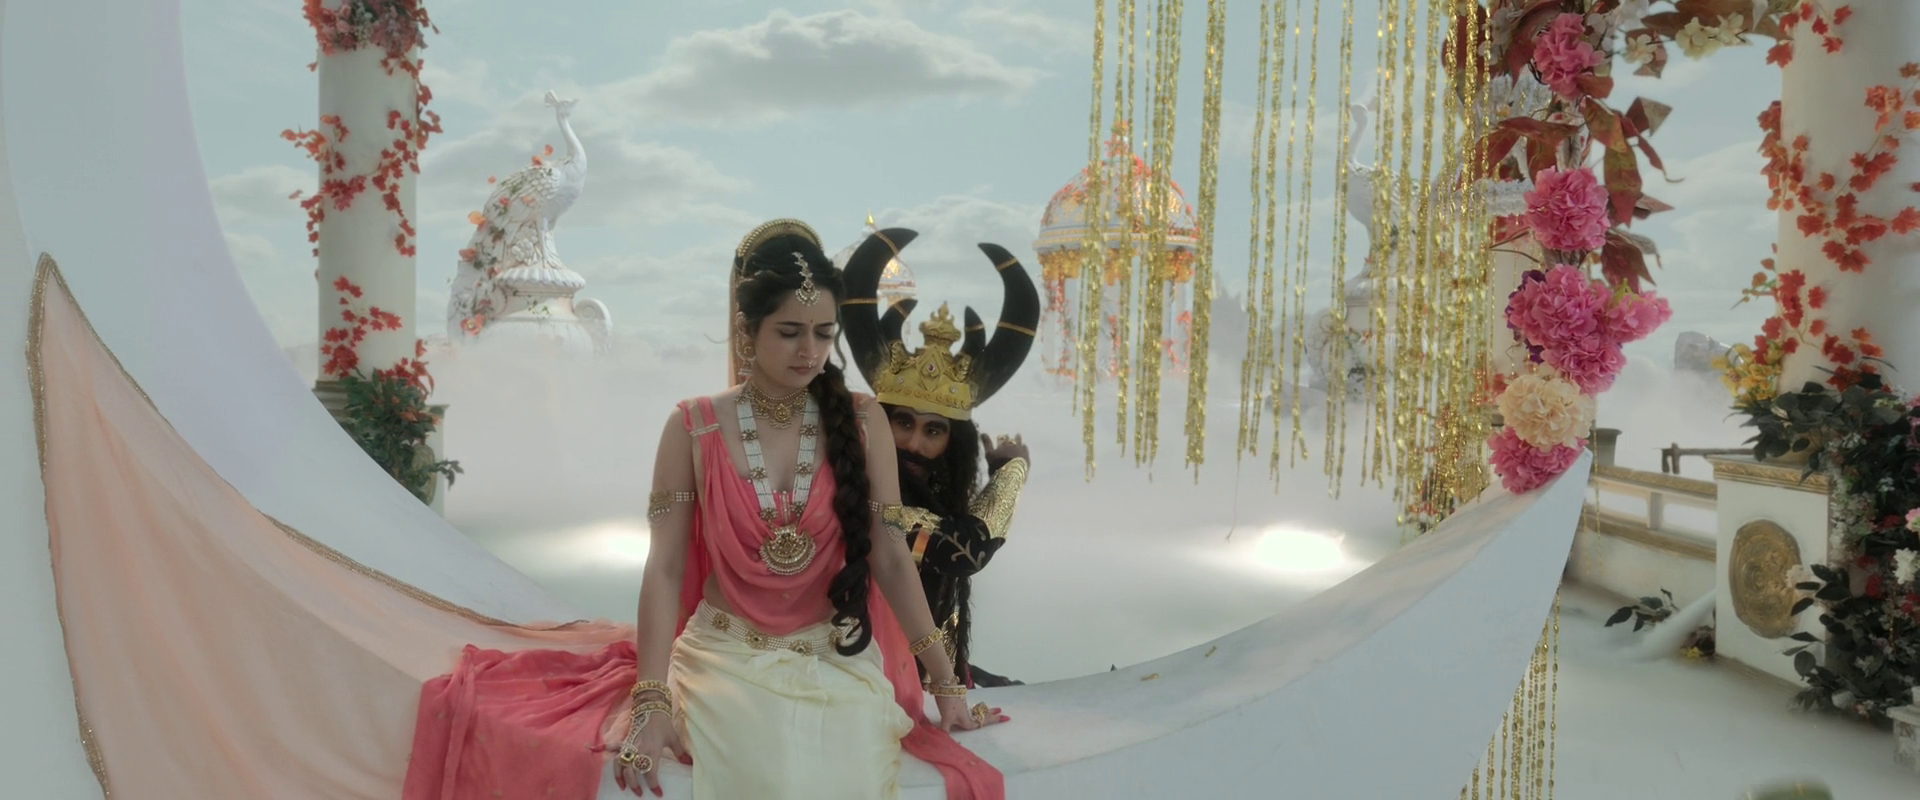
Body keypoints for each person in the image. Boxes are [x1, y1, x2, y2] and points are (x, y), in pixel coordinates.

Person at [611, 219, 1007, 799]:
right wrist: (651, 701)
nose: (810, 352)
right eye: (790, 332)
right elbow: (665, 567)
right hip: (721, 658)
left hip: (834, 657)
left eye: (824, 333)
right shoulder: (692, 427)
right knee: (762, 766)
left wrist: (946, 684)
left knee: (848, 763)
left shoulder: (863, 421)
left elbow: (890, 557)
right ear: (746, 330)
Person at [838, 227, 1041, 688]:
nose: (914, 444)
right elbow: (965, 550)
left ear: (954, 443)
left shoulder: (931, 493)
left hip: (923, 672)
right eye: (903, 423)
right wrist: (1011, 473)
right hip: (861, 675)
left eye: (933, 431)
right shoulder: (862, 495)